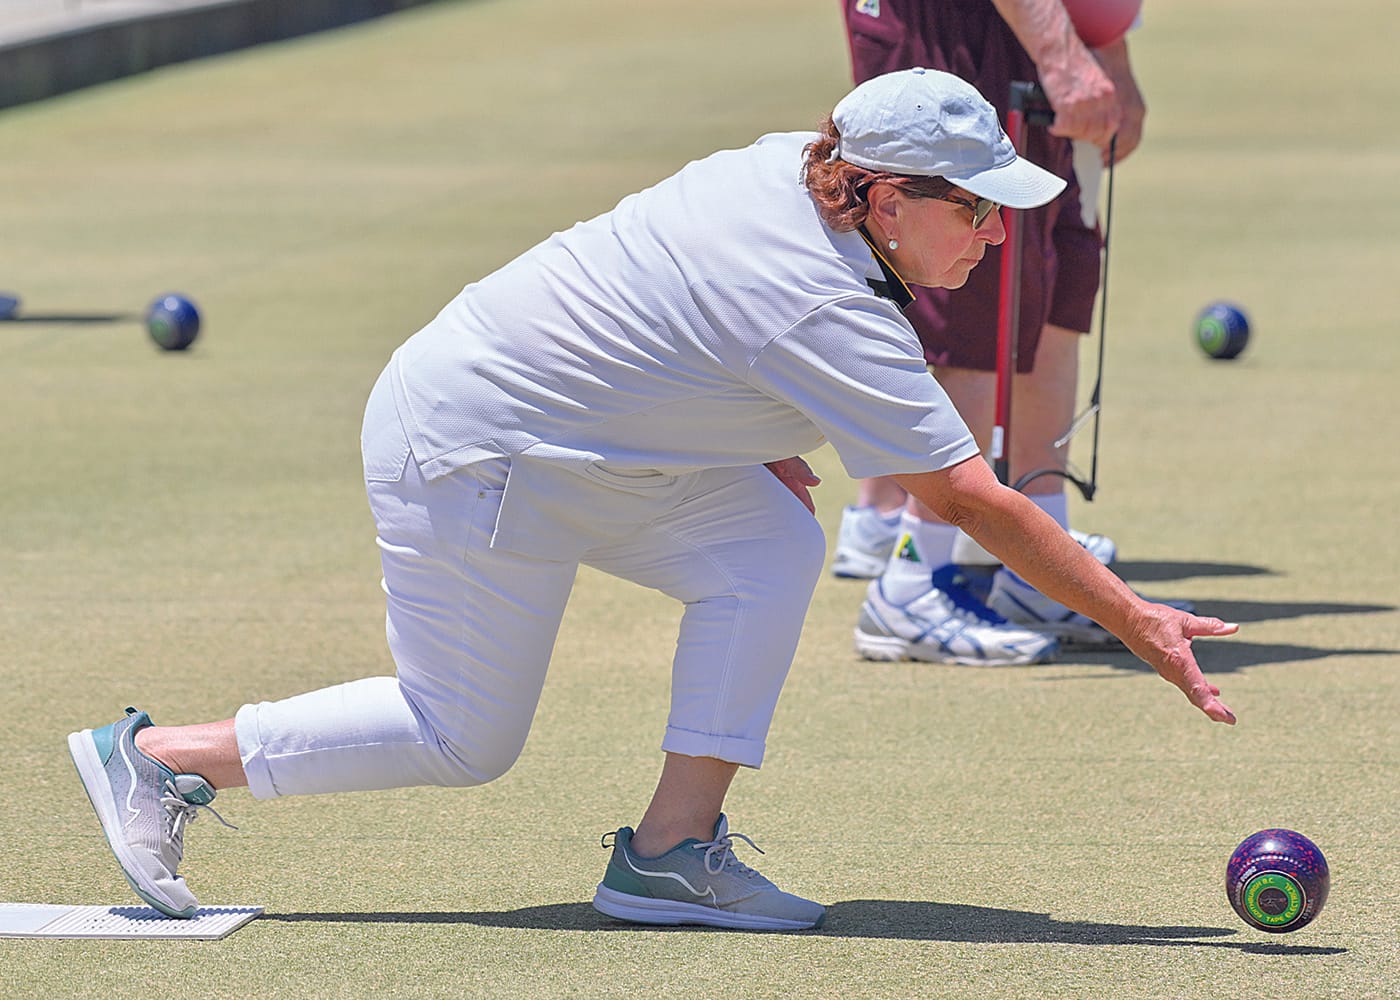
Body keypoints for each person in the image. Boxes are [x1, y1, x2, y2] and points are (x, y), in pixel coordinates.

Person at [67, 68, 1235, 935]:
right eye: (973, 207)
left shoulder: (797, 157)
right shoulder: (819, 301)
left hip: (586, 438)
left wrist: (734, 423)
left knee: (770, 544)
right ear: (880, 195)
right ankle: (162, 756)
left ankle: (670, 854)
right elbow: (969, 499)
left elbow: (669, 309)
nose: (995, 230)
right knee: (459, 738)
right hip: (477, 447)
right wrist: (1137, 620)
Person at [835, 0, 1157, 664]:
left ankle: (1038, 562)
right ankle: (914, 577)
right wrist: (1064, 54)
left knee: (1055, 272)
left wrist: (1109, 51)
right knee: (973, 287)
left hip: (1039, 34)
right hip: (961, 26)